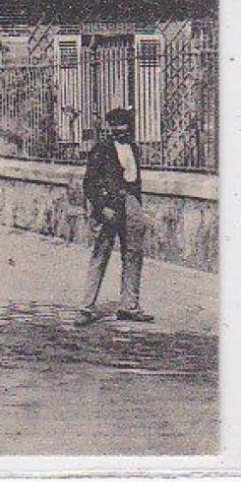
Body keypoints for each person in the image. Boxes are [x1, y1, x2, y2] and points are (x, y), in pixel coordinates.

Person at [77, 107, 153, 326]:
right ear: (109, 129)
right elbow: (89, 184)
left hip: (131, 203)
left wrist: (136, 206)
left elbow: (134, 180)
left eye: (125, 128)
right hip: (109, 207)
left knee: (133, 254)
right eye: (116, 129)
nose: (121, 132)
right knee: (101, 255)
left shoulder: (134, 149)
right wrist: (102, 209)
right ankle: (86, 307)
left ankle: (129, 305)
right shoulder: (101, 150)